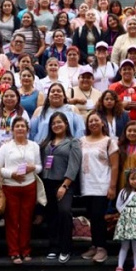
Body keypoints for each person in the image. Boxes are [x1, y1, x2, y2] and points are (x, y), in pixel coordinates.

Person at [0, 117, 42, 264]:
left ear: (27, 129)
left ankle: (25, 250)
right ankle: (14, 252)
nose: (20, 129)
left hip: (29, 185)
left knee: (26, 220)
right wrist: (12, 174)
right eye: (17, 126)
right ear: (12, 129)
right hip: (10, 186)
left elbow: (40, 166)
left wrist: (33, 168)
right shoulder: (5, 147)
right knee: (12, 220)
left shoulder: (34, 146)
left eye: (23, 126)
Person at [40, 112, 82, 263]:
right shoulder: (46, 142)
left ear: (66, 124)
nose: (56, 125)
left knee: (64, 212)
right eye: (53, 123)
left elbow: (74, 165)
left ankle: (66, 248)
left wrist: (65, 185)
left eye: (59, 122)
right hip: (47, 182)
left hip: (64, 183)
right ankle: (54, 247)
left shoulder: (73, 142)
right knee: (51, 215)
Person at [80, 111, 120, 264]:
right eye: (90, 121)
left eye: (96, 120)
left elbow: (115, 166)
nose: (93, 123)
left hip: (102, 184)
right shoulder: (81, 141)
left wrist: (112, 186)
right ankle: (94, 245)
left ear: (103, 123)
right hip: (86, 185)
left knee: (99, 217)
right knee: (91, 216)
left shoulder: (109, 142)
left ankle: (102, 247)